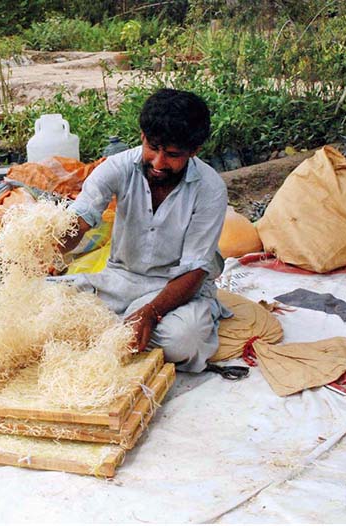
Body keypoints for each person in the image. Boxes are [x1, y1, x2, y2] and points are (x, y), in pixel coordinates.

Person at [56, 88, 228, 373]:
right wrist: (48, 241)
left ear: (194, 151)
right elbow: (79, 222)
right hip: (119, 280)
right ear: (142, 137)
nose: (159, 163)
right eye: (153, 148)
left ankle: (116, 327)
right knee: (42, 303)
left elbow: (196, 271)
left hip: (177, 288)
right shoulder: (117, 168)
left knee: (185, 341)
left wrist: (151, 313)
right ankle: (118, 327)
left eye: (172, 155)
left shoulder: (209, 189)